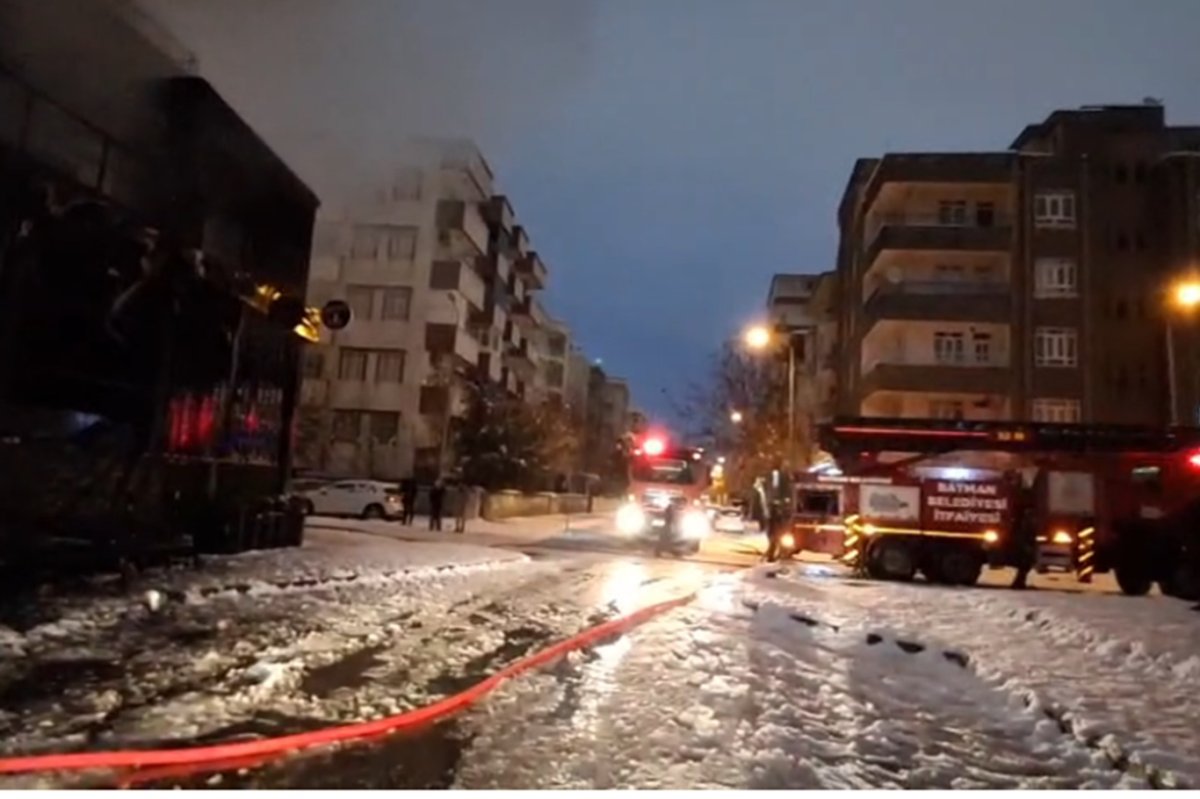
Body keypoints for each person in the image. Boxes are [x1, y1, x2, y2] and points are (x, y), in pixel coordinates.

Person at [1009, 472, 1038, 589]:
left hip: (1023, 543)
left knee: (1024, 566)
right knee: (1024, 565)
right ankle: (1018, 583)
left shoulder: (1024, 516)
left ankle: (1019, 583)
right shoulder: (1027, 518)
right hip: (1024, 544)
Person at [763, 462, 793, 563]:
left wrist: (784, 501)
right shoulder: (767, 476)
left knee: (781, 530)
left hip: (781, 507)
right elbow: (766, 490)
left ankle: (780, 551)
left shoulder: (784, 477)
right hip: (771, 507)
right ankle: (771, 551)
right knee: (771, 531)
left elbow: (788, 490)